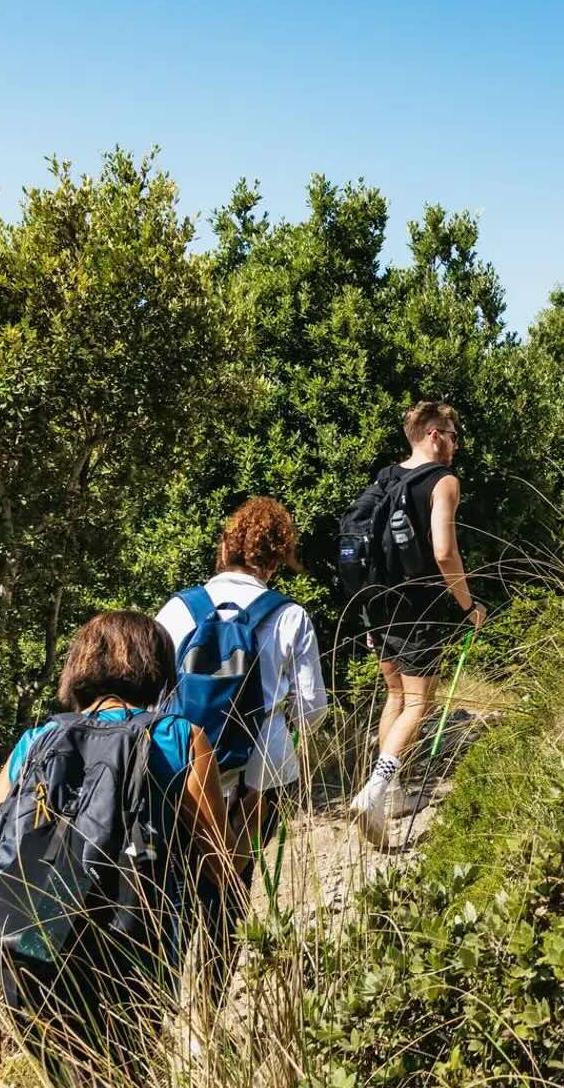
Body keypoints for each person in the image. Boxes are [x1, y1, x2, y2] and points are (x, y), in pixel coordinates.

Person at [0, 609, 231, 1084]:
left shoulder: (34, 744)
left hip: (33, 956)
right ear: (158, 668)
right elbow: (219, 868)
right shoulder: (182, 739)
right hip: (134, 959)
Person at [156, 497, 325, 968]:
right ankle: (211, 1011)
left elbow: (150, 697)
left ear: (226, 546)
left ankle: (165, 994)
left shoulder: (178, 610)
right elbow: (313, 711)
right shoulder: (290, 616)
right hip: (261, 777)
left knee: (174, 883)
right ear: (278, 557)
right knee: (231, 891)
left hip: (182, 770)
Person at [348, 401, 482, 841]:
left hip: (378, 606)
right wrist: (467, 605)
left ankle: (394, 793)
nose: (456, 444)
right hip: (417, 608)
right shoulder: (442, 481)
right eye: (452, 435)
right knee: (419, 704)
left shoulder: (387, 478)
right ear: (433, 435)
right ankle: (373, 793)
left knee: (394, 696)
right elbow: (444, 552)